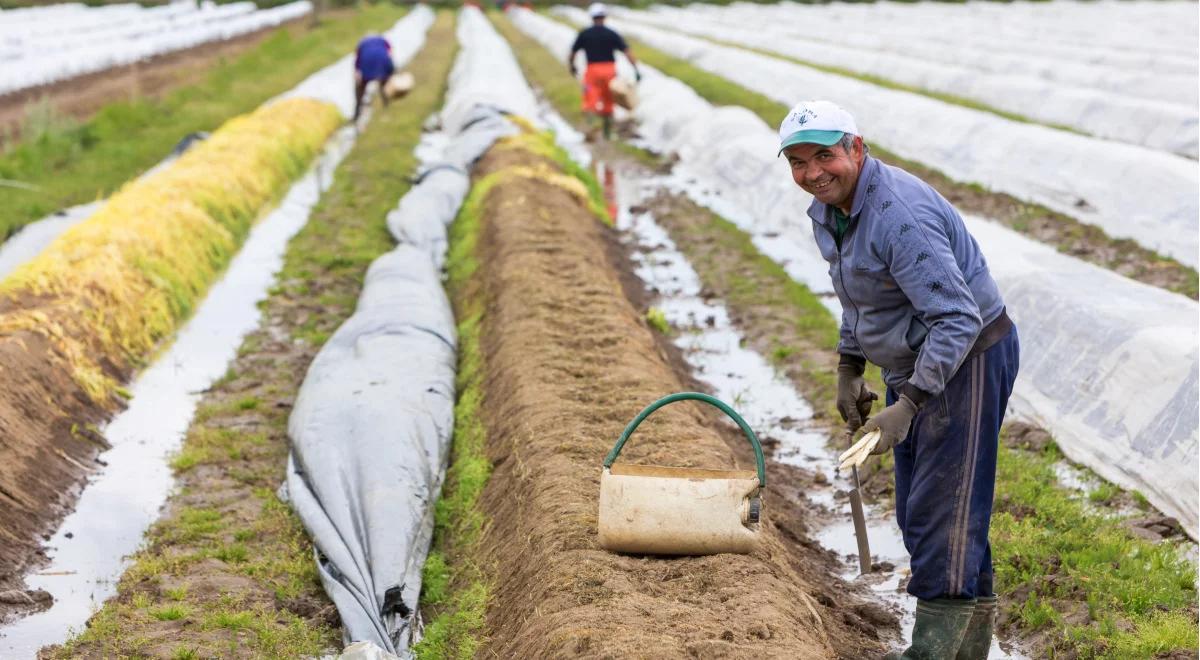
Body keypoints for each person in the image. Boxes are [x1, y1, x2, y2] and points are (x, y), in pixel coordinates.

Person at [777, 100, 1019, 660]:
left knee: (942, 509)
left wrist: (908, 404)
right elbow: (861, 297)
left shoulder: (897, 215)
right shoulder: (830, 211)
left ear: (856, 148)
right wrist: (849, 365)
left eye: (825, 156)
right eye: (797, 161)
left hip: (967, 358)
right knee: (927, 508)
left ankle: (930, 653)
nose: (812, 173)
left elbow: (958, 318)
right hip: (917, 361)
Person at [568, 2, 641, 139]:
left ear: (592, 17)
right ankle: (607, 134)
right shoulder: (611, 34)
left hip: (592, 71)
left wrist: (572, 66)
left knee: (590, 99)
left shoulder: (585, 34)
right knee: (608, 101)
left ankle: (590, 129)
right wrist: (635, 69)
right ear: (604, 17)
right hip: (609, 71)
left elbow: (573, 53)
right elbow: (627, 52)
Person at [354, 34, 395, 121]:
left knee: (359, 88)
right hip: (382, 63)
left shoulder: (362, 43)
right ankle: (386, 104)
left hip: (366, 65)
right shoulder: (383, 41)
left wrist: (357, 72)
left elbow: (357, 58)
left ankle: (357, 110)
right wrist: (391, 70)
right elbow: (390, 53)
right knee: (384, 85)